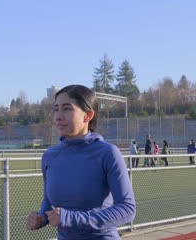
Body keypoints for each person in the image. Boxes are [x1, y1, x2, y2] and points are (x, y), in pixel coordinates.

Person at [26, 85, 136, 239]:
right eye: (56, 109)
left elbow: (127, 209)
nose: (58, 116)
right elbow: (48, 201)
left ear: (88, 115)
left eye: (67, 108)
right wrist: (41, 217)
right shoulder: (49, 156)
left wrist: (71, 218)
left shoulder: (108, 153)